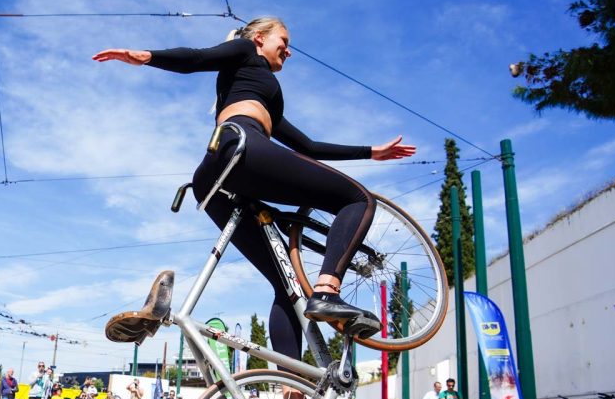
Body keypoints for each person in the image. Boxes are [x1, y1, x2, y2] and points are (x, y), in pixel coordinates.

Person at [94, 18, 414, 359]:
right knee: (358, 199)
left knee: (284, 284)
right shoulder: (245, 51)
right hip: (243, 150)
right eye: (284, 40)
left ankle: (295, 398)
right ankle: (327, 291)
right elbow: (198, 58)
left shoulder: (262, 93)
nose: (289, 50)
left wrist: (369, 152)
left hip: (213, 178)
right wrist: (147, 57)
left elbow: (307, 146)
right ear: (259, 38)